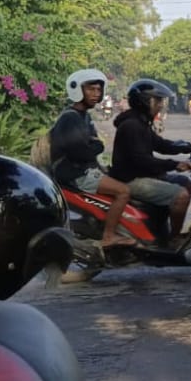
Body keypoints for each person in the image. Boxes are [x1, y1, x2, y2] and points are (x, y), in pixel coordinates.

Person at [49, 69, 133, 249]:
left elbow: (89, 147)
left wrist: (94, 146)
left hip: (82, 169)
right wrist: (97, 146)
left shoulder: (83, 116)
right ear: (78, 90)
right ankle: (109, 235)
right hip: (74, 173)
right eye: (90, 89)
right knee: (123, 191)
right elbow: (81, 152)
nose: (96, 94)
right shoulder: (70, 118)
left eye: (98, 90)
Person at [110, 79, 191, 240]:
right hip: (131, 179)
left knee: (186, 183)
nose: (161, 105)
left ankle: (160, 225)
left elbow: (161, 145)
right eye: (157, 100)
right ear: (144, 101)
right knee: (181, 195)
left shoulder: (140, 122)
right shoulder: (131, 126)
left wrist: (190, 148)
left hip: (143, 173)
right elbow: (141, 160)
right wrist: (174, 164)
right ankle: (174, 239)